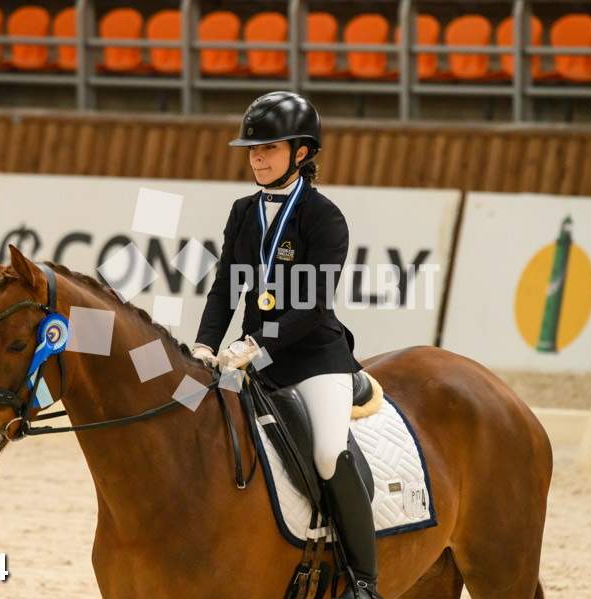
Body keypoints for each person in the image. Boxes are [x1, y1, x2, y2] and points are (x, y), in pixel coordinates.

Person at [192, 92, 382, 599]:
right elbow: (226, 287)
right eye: (252, 149)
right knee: (189, 416)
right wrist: (205, 345)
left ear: (301, 152)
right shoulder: (242, 212)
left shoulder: (324, 217)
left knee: (327, 452)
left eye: (268, 148)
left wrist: (257, 342)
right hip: (250, 358)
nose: (256, 158)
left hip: (313, 358)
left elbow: (315, 306)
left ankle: (364, 581)